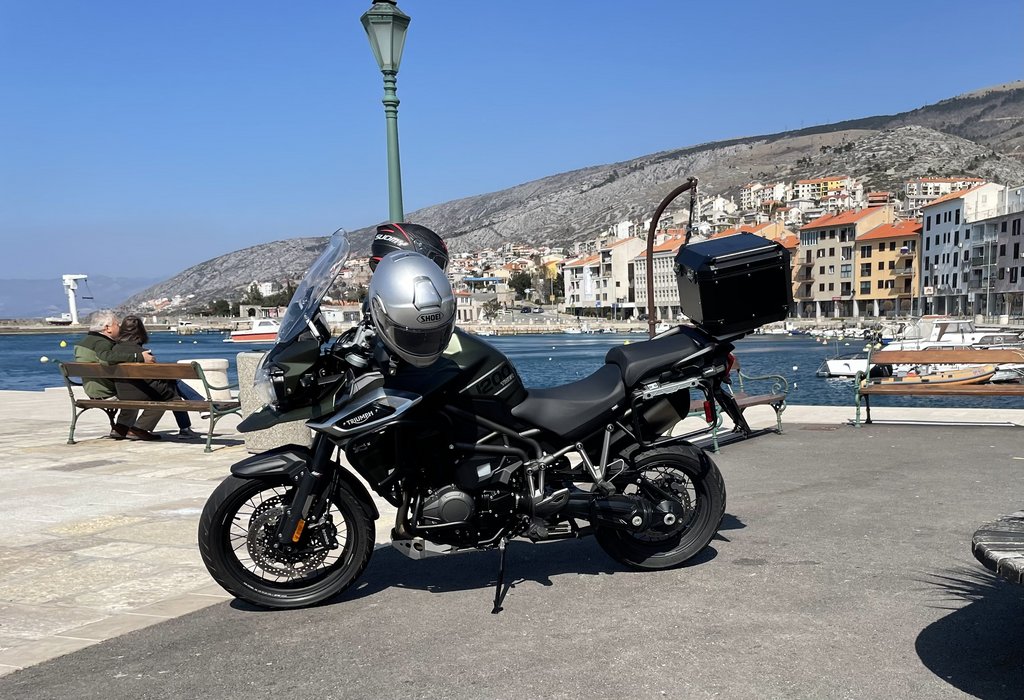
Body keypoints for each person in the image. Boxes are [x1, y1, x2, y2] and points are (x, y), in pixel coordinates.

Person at [73, 309, 159, 440]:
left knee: (131, 392)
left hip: (92, 390)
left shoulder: (83, 342)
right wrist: (138, 357)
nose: (119, 327)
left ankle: (120, 428)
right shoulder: (102, 342)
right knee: (151, 396)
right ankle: (139, 429)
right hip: (107, 392)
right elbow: (106, 357)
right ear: (107, 328)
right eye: (117, 324)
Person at [116, 315, 200, 439]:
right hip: (140, 393)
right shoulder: (144, 353)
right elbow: (154, 376)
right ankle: (189, 422)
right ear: (141, 332)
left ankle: (191, 419)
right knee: (173, 392)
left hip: (122, 392)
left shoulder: (113, 350)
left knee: (172, 386)